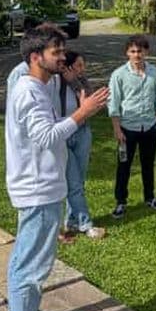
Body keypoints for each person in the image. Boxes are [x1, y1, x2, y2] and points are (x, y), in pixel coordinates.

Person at [5, 25, 109, 311]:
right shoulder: (29, 91)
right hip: (38, 189)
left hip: (40, 186)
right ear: (36, 57)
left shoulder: (37, 82)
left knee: (25, 255)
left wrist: (74, 89)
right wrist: (83, 113)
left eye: (63, 51)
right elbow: (48, 136)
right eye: (56, 52)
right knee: (33, 263)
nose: (63, 57)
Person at [108, 35, 156, 219]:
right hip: (127, 128)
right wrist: (117, 130)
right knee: (124, 165)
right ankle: (120, 202)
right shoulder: (119, 75)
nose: (136, 55)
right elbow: (114, 104)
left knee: (148, 164)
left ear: (146, 52)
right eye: (133, 51)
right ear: (127, 53)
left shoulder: (155, 73)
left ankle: (150, 197)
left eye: (140, 51)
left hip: (149, 126)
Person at [59, 51, 105, 241]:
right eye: (78, 65)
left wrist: (74, 82)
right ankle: (86, 224)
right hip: (62, 135)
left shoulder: (82, 82)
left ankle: (71, 221)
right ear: (67, 66)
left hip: (82, 133)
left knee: (78, 180)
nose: (82, 69)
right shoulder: (55, 83)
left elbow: (89, 106)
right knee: (74, 181)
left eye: (82, 65)